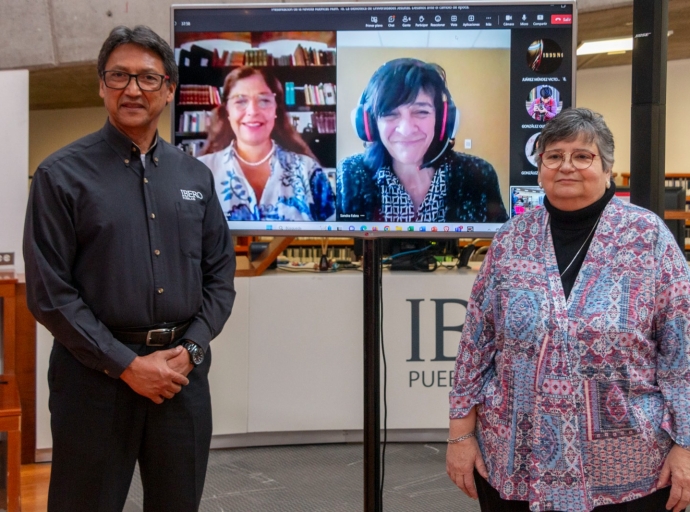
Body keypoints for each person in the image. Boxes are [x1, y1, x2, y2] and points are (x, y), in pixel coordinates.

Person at [23, 25, 236, 511]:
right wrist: (127, 365)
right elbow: (50, 292)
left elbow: (220, 277)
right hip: (93, 380)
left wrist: (192, 348)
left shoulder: (194, 176)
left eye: (146, 78)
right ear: (101, 85)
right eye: (119, 76)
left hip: (181, 378)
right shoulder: (60, 175)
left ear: (168, 89)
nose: (132, 89)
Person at [446, 108, 690, 512]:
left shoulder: (648, 239)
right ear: (539, 167)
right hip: (516, 458)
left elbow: (683, 352)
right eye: (553, 156)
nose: (567, 166)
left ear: (607, 167)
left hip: (628, 466)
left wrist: (686, 445)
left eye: (582, 156)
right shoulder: (511, 240)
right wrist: (460, 437)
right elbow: (476, 344)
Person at [336, 58, 508, 223]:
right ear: (371, 124)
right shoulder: (349, 175)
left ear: (441, 119)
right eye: (390, 114)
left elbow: (500, 243)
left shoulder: (479, 175)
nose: (406, 130)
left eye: (421, 112)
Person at [198, 66, 335, 221]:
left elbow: (334, 237)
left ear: (276, 109)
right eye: (240, 101)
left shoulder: (308, 171)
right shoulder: (199, 172)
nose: (252, 111)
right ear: (227, 111)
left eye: (264, 100)